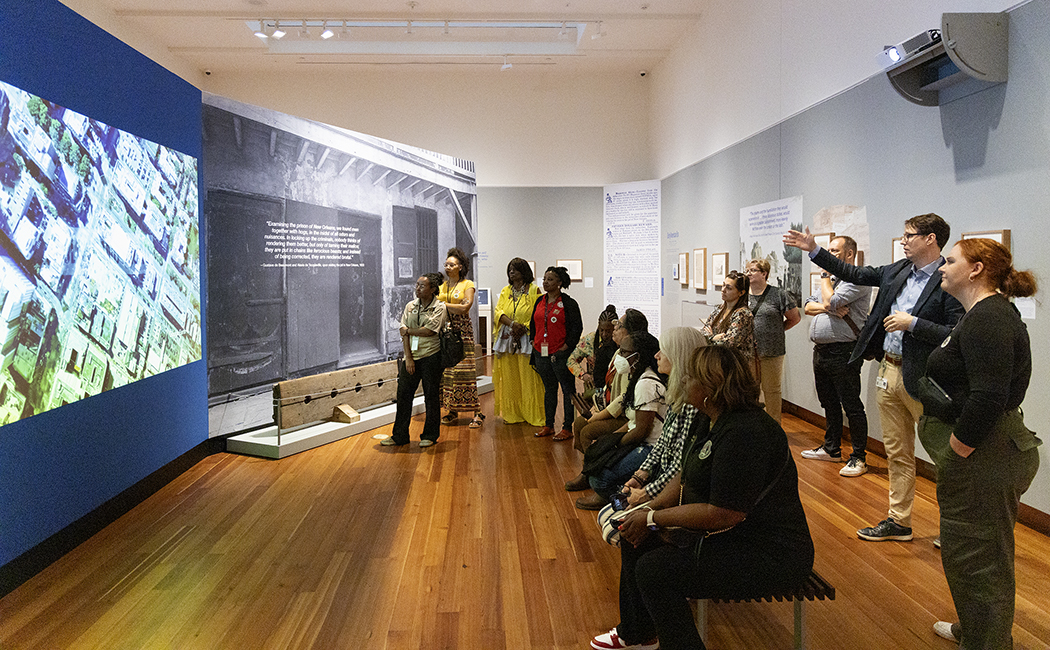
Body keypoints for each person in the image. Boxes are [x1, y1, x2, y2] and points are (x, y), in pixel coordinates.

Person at [590, 346, 814, 650]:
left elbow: (724, 513)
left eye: (691, 378)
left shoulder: (745, 432)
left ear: (710, 389)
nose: (684, 383)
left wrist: (652, 518)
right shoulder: (708, 417)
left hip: (769, 552)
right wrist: (645, 510)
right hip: (732, 535)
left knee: (655, 570)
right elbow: (684, 474)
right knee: (636, 539)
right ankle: (639, 633)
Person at [784, 213, 964, 542]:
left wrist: (913, 324)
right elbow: (853, 272)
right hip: (889, 370)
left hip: (925, 380)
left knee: (945, 456)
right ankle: (899, 520)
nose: (904, 240)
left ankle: (954, 528)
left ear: (931, 239)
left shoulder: (948, 280)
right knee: (897, 452)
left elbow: (956, 333)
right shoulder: (897, 270)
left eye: (910, 235)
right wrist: (814, 250)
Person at [916, 238, 1040, 649]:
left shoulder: (989, 318)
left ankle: (987, 642)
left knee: (979, 559)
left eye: (949, 261)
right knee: (970, 554)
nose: (941, 267)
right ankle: (977, 630)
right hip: (983, 454)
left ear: (976, 269)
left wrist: (956, 452)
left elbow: (989, 397)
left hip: (983, 456)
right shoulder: (980, 315)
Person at [801, 236, 872, 477]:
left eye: (834, 250)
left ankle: (859, 457)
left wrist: (823, 282)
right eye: (828, 250)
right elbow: (808, 306)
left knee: (851, 405)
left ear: (849, 254)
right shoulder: (831, 279)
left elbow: (831, 299)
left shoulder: (857, 278)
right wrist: (826, 307)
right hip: (821, 351)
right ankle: (831, 449)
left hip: (844, 351)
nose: (829, 254)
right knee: (828, 401)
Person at [576, 331, 666, 511]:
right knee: (598, 458)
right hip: (641, 440)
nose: (619, 356)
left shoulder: (645, 384)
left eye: (624, 352)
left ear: (637, 357)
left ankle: (616, 497)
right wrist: (612, 440)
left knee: (599, 478)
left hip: (651, 447)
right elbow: (633, 421)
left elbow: (641, 431)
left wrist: (613, 445)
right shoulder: (638, 378)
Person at [620, 327, 707, 506]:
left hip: (676, 492)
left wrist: (646, 493)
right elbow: (664, 441)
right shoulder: (676, 390)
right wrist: (641, 474)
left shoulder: (692, 402)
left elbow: (680, 464)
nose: (657, 355)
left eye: (663, 351)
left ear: (678, 356)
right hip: (662, 479)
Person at [564, 308, 648, 491]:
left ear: (629, 331)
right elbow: (608, 387)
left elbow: (623, 398)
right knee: (579, 424)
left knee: (587, 431)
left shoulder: (631, 356)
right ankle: (591, 469)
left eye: (618, 326)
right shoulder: (618, 352)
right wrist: (596, 408)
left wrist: (599, 415)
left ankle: (594, 473)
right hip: (611, 406)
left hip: (624, 414)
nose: (613, 330)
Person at [382, 273, 447, 448]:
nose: (417, 289)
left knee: (431, 397)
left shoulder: (439, 307)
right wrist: (408, 358)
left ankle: (430, 435)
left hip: (431, 356)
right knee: (403, 396)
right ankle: (399, 435)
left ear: (433, 289)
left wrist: (409, 331)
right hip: (411, 357)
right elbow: (402, 331)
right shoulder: (410, 306)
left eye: (422, 286)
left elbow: (430, 331)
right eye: (417, 285)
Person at [529, 266, 584, 439]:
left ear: (560, 283)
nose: (545, 282)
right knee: (549, 390)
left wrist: (566, 347)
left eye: (550, 279)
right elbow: (533, 323)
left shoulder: (569, 303)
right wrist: (533, 340)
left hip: (561, 354)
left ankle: (567, 427)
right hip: (541, 353)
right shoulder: (540, 301)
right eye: (544, 279)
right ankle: (549, 425)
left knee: (568, 390)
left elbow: (577, 328)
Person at [744, 259, 799, 422]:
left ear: (764, 273)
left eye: (753, 270)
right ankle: (752, 424)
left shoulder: (778, 294)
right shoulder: (742, 295)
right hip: (748, 352)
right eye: (747, 270)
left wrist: (775, 331)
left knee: (772, 390)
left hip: (772, 351)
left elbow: (794, 318)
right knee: (749, 390)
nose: (749, 273)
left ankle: (774, 427)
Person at [492, 257, 544, 426]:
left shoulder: (534, 290)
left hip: (527, 338)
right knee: (510, 377)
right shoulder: (505, 291)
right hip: (508, 340)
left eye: (515, 269)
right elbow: (498, 312)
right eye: (509, 269)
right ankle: (512, 413)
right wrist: (513, 325)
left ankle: (532, 414)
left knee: (529, 377)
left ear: (524, 271)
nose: (511, 272)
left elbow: (539, 313)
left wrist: (524, 327)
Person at [438, 247, 484, 428]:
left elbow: (465, 308)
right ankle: (452, 410)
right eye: (446, 264)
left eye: (452, 264)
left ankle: (478, 412)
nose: (448, 267)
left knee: (465, 372)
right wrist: (449, 306)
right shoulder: (442, 286)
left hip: (463, 332)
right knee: (448, 372)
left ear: (460, 266)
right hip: (445, 332)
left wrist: (442, 304)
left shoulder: (468, 284)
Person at [699, 270, 758, 375]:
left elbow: (729, 343)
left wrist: (711, 337)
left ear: (741, 292)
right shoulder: (719, 309)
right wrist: (713, 337)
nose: (723, 290)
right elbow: (702, 332)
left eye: (728, 288)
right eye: (723, 285)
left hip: (735, 369)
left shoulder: (743, 314)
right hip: (716, 363)